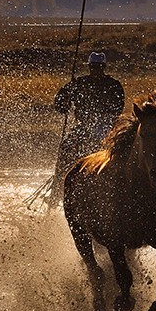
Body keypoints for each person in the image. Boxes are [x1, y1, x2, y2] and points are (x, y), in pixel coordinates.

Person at [50, 51, 125, 200]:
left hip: (107, 127)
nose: (95, 70)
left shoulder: (113, 85)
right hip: (84, 127)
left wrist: (105, 118)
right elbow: (59, 101)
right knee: (65, 148)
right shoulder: (78, 83)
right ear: (89, 67)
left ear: (103, 67)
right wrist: (64, 103)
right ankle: (58, 185)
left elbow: (118, 107)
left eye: (98, 67)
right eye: (93, 67)